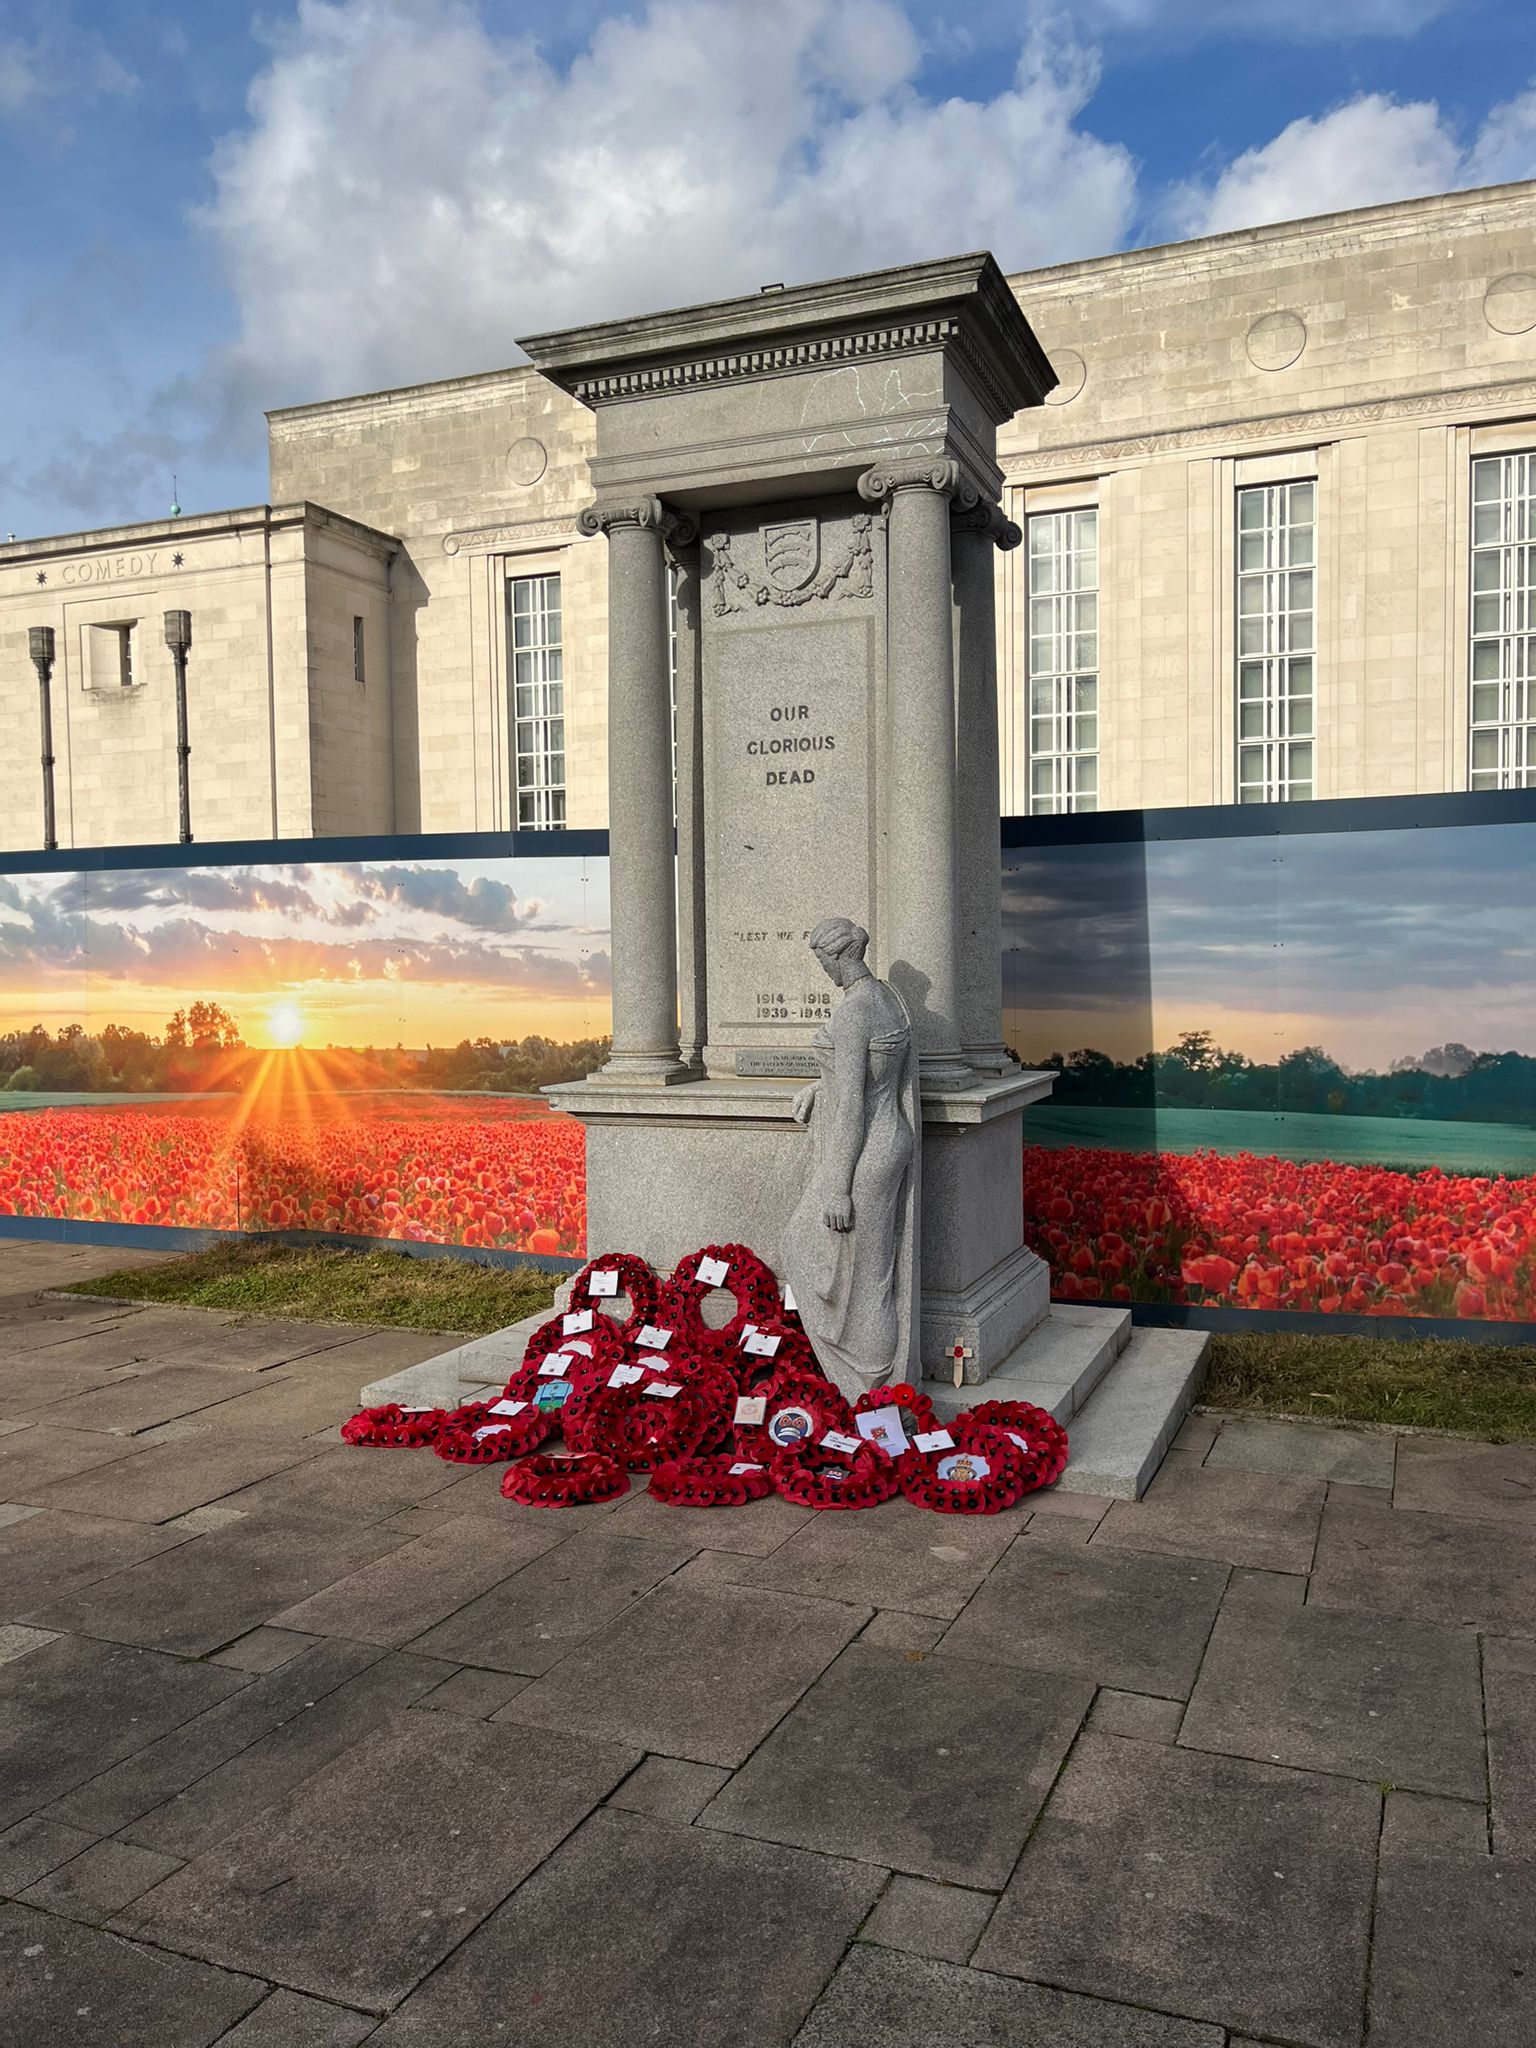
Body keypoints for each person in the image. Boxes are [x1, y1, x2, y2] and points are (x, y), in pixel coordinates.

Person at [781, 916, 919, 1401]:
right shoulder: (887, 996)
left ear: (838, 956)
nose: (823, 971)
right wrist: (822, 1087)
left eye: (821, 960)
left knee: (860, 1276)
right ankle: (869, 1371)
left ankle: (871, 1379)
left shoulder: (855, 1011)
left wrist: (839, 1187)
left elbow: (855, 1108)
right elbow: (876, 1075)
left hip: (866, 1154)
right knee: (867, 1270)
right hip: (890, 1137)